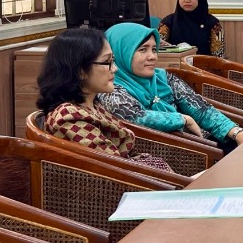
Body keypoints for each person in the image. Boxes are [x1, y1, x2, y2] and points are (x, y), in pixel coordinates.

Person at [37, 27, 176, 175]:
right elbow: (116, 169)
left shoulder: (92, 105)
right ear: (80, 71)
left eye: (113, 60)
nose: (115, 69)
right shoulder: (68, 116)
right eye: (107, 62)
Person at [103, 23, 243, 152]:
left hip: (198, 143)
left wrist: (237, 133)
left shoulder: (162, 77)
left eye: (154, 49)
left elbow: (200, 108)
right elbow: (137, 117)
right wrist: (182, 119)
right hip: (169, 155)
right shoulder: (110, 89)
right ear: (120, 53)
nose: (152, 57)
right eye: (142, 50)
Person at [156, 0, 224, 56]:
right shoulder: (168, 22)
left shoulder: (214, 24)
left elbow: (218, 57)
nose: (187, 0)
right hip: (174, 64)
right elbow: (156, 49)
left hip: (204, 64)